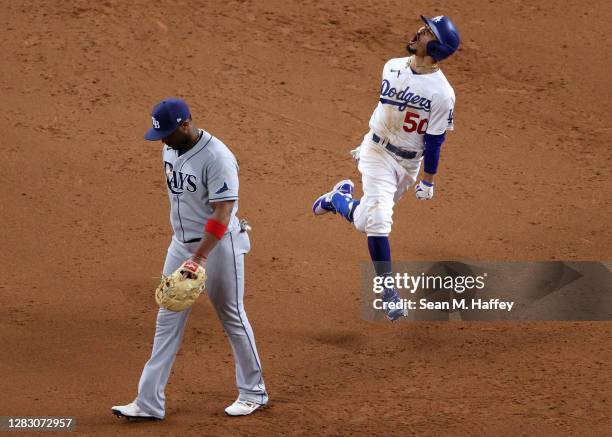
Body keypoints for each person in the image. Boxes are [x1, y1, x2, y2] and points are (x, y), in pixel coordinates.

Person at [112, 98, 268, 419]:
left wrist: (198, 258)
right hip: (181, 245)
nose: (163, 140)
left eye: (168, 133)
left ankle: (254, 392)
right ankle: (148, 402)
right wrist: (186, 251)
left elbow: (222, 213)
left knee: (231, 315)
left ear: (186, 125)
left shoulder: (218, 158)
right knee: (166, 318)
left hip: (220, 244)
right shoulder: (170, 147)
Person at [312, 15, 461, 320]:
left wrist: (428, 179)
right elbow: (384, 108)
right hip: (376, 151)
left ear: (435, 46)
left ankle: (337, 199)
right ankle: (388, 291)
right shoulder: (391, 65)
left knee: (368, 219)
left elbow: (434, 141)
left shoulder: (442, 94)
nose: (418, 32)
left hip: (408, 164)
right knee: (379, 221)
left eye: (426, 32)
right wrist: (373, 142)